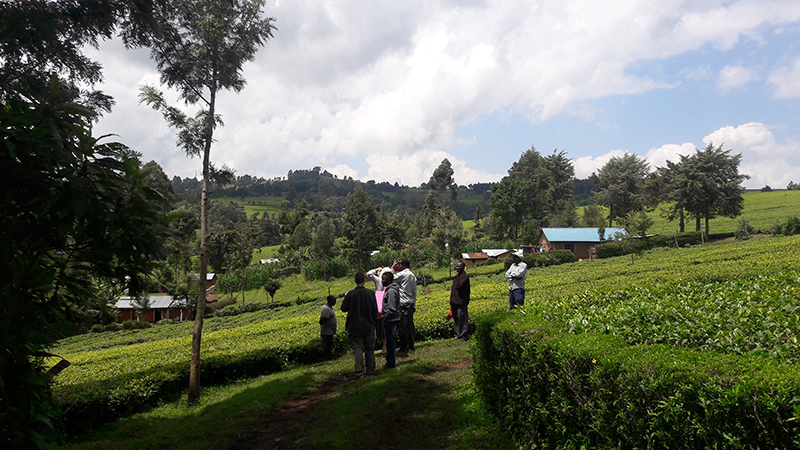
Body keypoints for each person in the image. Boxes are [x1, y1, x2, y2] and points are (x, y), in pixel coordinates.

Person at [341, 272, 379, 376]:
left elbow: (344, 309)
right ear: (364, 280)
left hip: (354, 326)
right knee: (370, 349)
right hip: (368, 325)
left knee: (357, 349)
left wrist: (346, 297)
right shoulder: (370, 293)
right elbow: (375, 311)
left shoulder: (351, 294)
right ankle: (370, 370)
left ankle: (359, 371)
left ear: (355, 281)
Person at [392, 258, 417, 353]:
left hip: (402, 302)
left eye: (400, 265)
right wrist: (414, 304)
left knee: (402, 325)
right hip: (410, 302)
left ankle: (404, 347)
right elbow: (415, 291)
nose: (399, 266)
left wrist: (393, 267)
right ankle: (411, 345)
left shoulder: (402, 274)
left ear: (403, 266)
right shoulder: (412, 276)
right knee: (410, 324)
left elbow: (389, 278)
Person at [380, 271, 401, 368]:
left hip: (391, 320)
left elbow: (391, 308)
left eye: (383, 279)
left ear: (388, 280)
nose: (382, 281)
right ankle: (389, 359)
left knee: (390, 341)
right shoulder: (390, 289)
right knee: (390, 340)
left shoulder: (391, 291)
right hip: (392, 319)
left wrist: (385, 318)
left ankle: (391, 362)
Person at [450, 261, 470, 340]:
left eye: (459, 266)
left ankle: (464, 336)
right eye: (457, 266)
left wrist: (457, 277)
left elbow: (459, 286)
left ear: (463, 267)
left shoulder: (464, 277)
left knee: (462, 319)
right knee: (456, 319)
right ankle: (457, 334)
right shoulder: (457, 277)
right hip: (455, 301)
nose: (457, 268)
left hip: (461, 301)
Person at [319, 295, 337, 360]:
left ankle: (328, 357)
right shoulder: (326, 309)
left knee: (328, 344)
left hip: (330, 330)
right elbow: (323, 319)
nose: (335, 302)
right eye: (334, 301)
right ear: (330, 301)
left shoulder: (329, 308)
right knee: (326, 345)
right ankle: (326, 358)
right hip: (327, 330)